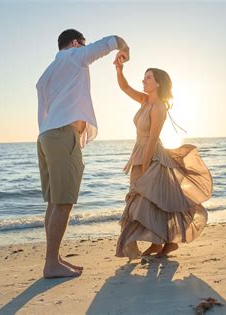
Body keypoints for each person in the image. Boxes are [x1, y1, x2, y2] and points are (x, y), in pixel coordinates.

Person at [36, 29, 129, 278]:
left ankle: (53, 258)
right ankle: (50, 264)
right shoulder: (75, 56)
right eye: (82, 44)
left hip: (46, 137)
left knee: (54, 202)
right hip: (62, 135)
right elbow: (111, 41)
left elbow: (43, 112)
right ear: (76, 43)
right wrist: (125, 51)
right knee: (64, 202)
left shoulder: (46, 74)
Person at [113, 55, 213, 260]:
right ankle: (163, 243)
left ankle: (162, 243)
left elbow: (152, 139)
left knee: (149, 201)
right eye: (144, 77)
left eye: (148, 78)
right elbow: (125, 88)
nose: (144, 80)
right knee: (147, 201)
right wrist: (119, 70)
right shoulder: (144, 101)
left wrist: (147, 166)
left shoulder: (159, 107)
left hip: (152, 157)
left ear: (158, 83)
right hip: (139, 155)